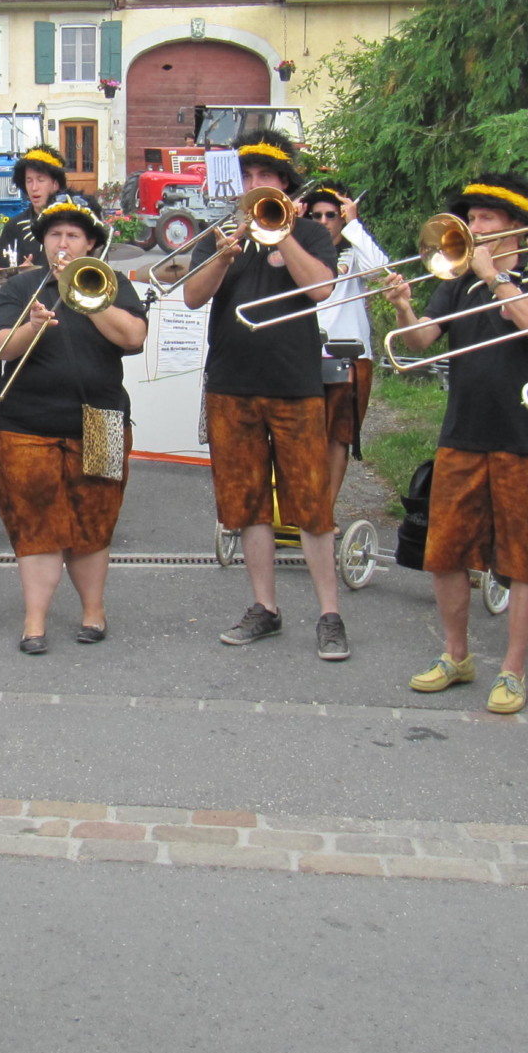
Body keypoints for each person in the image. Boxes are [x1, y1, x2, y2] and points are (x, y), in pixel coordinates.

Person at [384, 173, 528, 713]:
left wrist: (495, 278)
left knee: (526, 559)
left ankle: (513, 670)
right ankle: (456, 655)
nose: (474, 226)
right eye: (471, 217)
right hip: (463, 431)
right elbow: (421, 340)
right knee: (445, 551)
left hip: (524, 434)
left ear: (515, 224)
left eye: (486, 217)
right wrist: (403, 307)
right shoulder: (459, 275)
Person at [181, 129, 347, 660]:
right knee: (249, 502)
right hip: (232, 385)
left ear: (284, 183)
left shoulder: (309, 233)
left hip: (295, 385)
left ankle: (330, 614)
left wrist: (282, 236)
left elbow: (321, 288)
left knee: (312, 503)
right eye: (248, 176)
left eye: (265, 177)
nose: (254, 185)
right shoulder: (219, 236)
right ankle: (265, 607)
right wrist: (223, 256)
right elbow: (191, 298)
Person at [0, 198, 147, 651]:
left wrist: (86, 296)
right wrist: (32, 326)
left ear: (90, 244)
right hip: (24, 424)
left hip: (100, 419)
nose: (62, 243)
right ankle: (34, 621)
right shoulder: (22, 287)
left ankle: (93, 612)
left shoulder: (110, 283)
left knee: (95, 522)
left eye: (73, 236)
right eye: (54, 235)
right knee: (34, 525)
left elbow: (133, 337)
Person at [302, 177, 386, 509]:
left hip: (349, 355)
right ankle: (298, 508)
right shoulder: (301, 251)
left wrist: (354, 225)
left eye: (331, 215)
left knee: (338, 437)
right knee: (301, 434)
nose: (323, 222)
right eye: (316, 216)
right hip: (303, 352)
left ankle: (324, 512)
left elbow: (380, 272)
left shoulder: (354, 250)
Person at [0, 144, 68, 270]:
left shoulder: (73, 224)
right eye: (29, 181)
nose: (34, 188)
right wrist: (18, 273)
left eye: (40, 180)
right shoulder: (14, 226)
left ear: (55, 184)